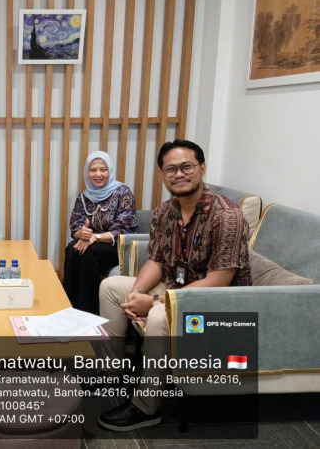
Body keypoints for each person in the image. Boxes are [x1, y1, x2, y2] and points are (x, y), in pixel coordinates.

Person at [96, 139, 252, 431]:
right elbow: (156, 261)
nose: (178, 174)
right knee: (111, 287)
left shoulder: (227, 216)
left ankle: (146, 406)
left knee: (157, 315)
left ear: (202, 168)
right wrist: (137, 292)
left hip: (218, 302)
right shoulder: (165, 212)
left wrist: (155, 302)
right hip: (178, 288)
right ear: (163, 174)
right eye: (171, 169)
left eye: (186, 167)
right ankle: (113, 372)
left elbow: (218, 281)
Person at [63, 151, 138, 314]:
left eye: (103, 170)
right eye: (93, 170)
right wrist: (81, 234)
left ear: (109, 171)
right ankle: (68, 306)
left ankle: (86, 311)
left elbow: (125, 228)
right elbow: (75, 224)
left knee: (90, 253)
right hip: (91, 243)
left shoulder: (122, 192)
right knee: (71, 249)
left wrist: (95, 237)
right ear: (87, 173)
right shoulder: (83, 197)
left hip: (117, 246)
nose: (98, 174)